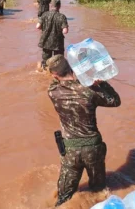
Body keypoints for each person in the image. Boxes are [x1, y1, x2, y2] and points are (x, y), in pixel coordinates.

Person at [46, 54, 121, 206]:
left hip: (70, 150)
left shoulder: (53, 92)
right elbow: (115, 101)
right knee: (99, 191)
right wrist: (100, 83)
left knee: (63, 197)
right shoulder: (89, 91)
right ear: (72, 68)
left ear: (54, 74)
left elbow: (56, 79)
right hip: (93, 148)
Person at [36, 0, 68, 71]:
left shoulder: (44, 14)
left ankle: (45, 72)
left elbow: (37, 26)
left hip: (46, 42)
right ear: (59, 6)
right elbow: (65, 31)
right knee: (58, 62)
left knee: (46, 62)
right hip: (58, 43)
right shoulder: (62, 16)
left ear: (51, 5)